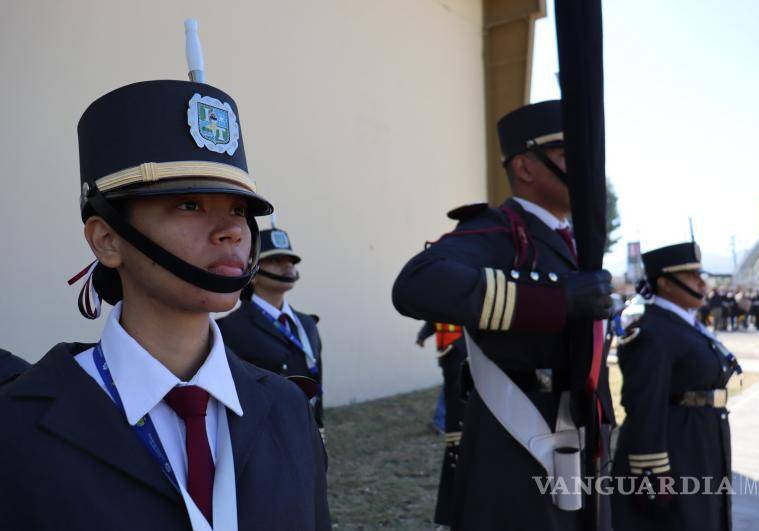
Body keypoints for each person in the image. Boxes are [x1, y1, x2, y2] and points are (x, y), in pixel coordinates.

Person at [0, 79, 329, 530]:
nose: (231, 231)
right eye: (189, 204)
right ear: (107, 239)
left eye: (238, 210)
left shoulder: (288, 409)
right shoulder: (16, 426)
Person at [393, 100, 615, 530]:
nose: (586, 171)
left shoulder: (573, 240)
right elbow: (416, 284)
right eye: (569, 157)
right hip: (517, 438)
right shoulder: (499, 231)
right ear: (526, 168)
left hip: (580, 429)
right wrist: (558, 301)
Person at [612, 242, 739, 531]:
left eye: (700, 274)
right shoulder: (651, 330)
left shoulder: (684, 325)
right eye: (691, 275)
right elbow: (645, 407)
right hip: (677, 450)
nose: (701, 282)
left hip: (699, 444)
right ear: (665, 283)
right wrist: (651, 478)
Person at [218, 226, 324, 433]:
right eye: (275, 260)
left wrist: (319, 428)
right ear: (253, 272)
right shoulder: (231, 327)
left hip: (305, 428)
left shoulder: (307, 324)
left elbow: (317, 381)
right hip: (264, 433)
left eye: (290, 260)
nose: (287, 265)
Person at [416, 319, 467, 528]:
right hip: (448, 354)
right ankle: (440, 421)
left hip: (460, 352)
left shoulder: (461, 305)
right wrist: (422, 336)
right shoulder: (443, 304)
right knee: (449, 394)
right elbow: (431, 322)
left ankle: (439, 421)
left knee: (451, 394)